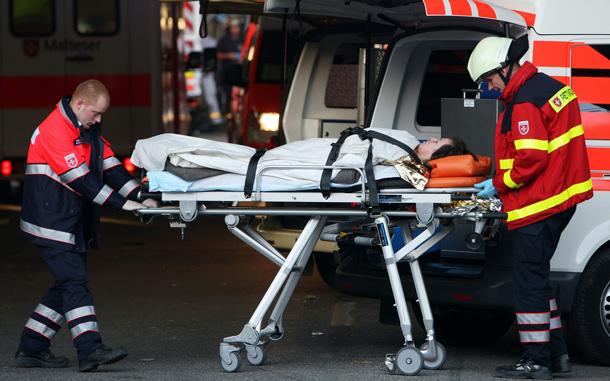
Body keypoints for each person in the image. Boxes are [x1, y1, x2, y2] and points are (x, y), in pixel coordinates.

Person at [467, 36, 593, 379]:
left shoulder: (524, 102)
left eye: (489, 80)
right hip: (559, 197)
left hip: (542, 202)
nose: (489, 88)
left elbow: (530, 159)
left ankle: (536, 360)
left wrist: (497, 183)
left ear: (505, 68)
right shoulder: (547, 88)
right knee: (536, 278)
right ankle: (556, 356)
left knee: (527, 281)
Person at [14, 79, 159, 372]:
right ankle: (90, 349)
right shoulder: (54, 130)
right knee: (74, 283)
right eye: (96, 113)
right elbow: (80, 179)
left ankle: (31, 347)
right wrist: (123, 205)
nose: (99, 119)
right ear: (79, 105)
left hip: (64, 220)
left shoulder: (84, 129)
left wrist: (141, 197)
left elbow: (111, 167)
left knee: (65, 286)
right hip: (50, 222)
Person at [215, 16, 243, 115]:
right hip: (227, 74)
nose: (234, 29)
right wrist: (229, 56)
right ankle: (228, 114)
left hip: (242, 74)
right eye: (232, 27)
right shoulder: (224, 40)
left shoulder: (244, 39)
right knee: (228, 94)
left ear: (240, 27)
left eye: (236, 27)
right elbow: (217, 55)